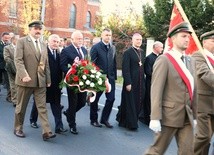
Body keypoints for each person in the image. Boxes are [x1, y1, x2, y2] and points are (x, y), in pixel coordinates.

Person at [144, 22, 197, 155]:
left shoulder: (191, 61)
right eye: (183, 36)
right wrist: (155, 117)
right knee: (156, 151)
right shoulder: (164, 60)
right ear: (173, 38)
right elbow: (156, 89)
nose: (187, 39)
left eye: (188, 37)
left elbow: (193, 89)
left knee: (188, 151)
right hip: (168, 116)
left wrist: (195, 115)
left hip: (187, 116)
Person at [14, 21, 56, 141]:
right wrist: (24, 74)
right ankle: (18, 128)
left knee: (42, 107)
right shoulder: (22, 41)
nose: (38, 31)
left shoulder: (43, 43)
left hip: (40, 82)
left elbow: (45, 63)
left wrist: (48, 79)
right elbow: (18, 60)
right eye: (36, 28)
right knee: (21, 107)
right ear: (30, 30)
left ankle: (46, 131)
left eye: (40, 29)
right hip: (25, 81)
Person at [29, 34, 67, 134]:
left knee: (56, 105)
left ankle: (59, 126)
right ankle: (33, 120)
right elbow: (39, 68)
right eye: (54, 41)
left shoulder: (59, 53)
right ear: (48, 42)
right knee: (39, 104)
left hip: (56, 84)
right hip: (44, 84)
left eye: (58, 42)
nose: (56, 43)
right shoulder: (43, 52)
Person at [116, 33, 145, 130]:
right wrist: (128, 83)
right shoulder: (128, 52)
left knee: (137, 102)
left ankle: (126, 119)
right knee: (130, 102)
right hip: (131, 82)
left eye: (140, 40)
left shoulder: (141, 52)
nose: (139, 41)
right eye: (137, 39)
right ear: (132, 40)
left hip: (139, 82)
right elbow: (125, 69)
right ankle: (131, 124)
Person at [60, 30, 87, 134]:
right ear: (72, 40)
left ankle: (69, 113)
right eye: (78, 38)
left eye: (81, 38)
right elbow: (62, 65)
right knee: (73, 102)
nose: (80, 40)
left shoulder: (84, 50)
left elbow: (86, 63)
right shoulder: (66, 50)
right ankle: (72, 124)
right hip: (72, 81)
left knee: (82, 102)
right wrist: (72, 73)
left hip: (83, 82)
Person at [89, 28, 117, 128]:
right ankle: (93, 119)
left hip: (110, 79)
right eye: (106, 35)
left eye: (109, 35)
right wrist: (94, 77)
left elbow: (114, 63)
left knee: (111, 99)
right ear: (102, 35)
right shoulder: (96, 47)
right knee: (95, 100)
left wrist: (114, 77)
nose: (108, 37)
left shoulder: (113, 48)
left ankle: (104, 119)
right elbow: (91, 64)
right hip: (99, 78)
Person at [192, 30, 214, 155]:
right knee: (203, 136)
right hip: (203, 103)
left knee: (208, 139)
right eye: (213, 41)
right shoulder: (198, 56)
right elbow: (204, 74)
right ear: (204, 42)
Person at [139, 41, 163, 126]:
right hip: (150, 83)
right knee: (149, 100)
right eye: (161, 47)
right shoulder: (149, 58)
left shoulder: (160, 57)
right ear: (156, 47)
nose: (162, 49)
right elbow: (148, 71)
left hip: (159, 83)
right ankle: (147, 118)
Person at [3, 35, 20, 107]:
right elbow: (7, 58)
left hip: (20, 69)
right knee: (13, 85)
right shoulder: (7, 48)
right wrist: (14, 67)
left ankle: (19, 99)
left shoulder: (20, 48)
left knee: (19, 85)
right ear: (13, 40)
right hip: (11, 69)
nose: (19, 41)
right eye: (17, 40)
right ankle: (15, 101)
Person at [0, 32, 11, 101]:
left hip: (7, 66)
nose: (7, 39)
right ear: (2, 37)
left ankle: (9, 96)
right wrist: (6, 55)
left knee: (8, 82)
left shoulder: (10, 45)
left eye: (8, 38)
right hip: (0, 65)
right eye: (5, 38)